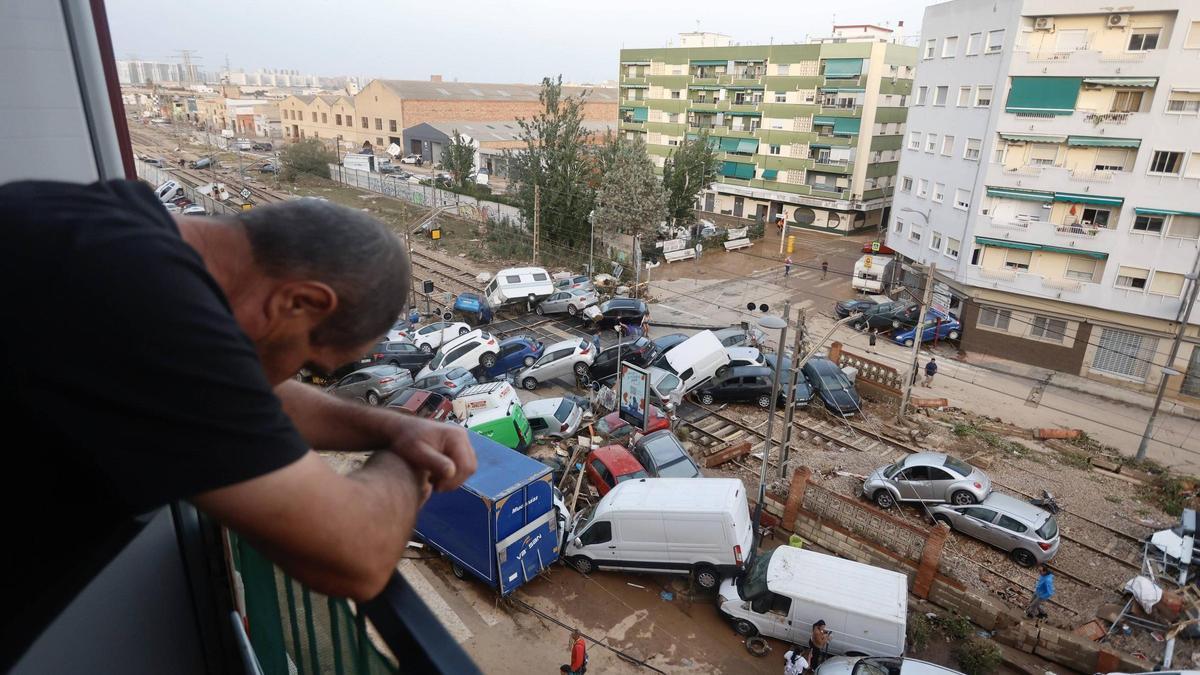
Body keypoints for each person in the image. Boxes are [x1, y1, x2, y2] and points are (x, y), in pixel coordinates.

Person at [0, 180, 476, 664]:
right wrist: (412, 461)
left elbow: (239, 393)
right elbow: (358, 557)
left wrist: (396, 427)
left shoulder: (107, 221)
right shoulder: (151, 309)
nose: (298, 377)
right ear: (299, 302)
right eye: (310, 365)